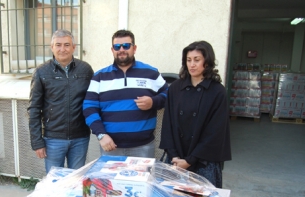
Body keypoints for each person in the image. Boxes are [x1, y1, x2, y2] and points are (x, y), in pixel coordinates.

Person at [83, 29, 168, 158]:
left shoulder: (151, 73)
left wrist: (153, 102)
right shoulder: (100, 76)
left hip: (143, 147)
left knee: (143, 179)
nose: (121, 49)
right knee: (111, 179)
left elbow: (169, 96)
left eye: (126, 46)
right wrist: (101, 135)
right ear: (112, 50)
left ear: (134, 48)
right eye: (117, 46)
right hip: (110, 147)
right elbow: (89, 108)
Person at [159, 41, 231, 188]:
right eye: (188, 60)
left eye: (197, 60)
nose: (192, 64)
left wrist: (190, 160)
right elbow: (168, 124)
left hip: (204, 161)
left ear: (207, 61)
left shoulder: (217, 92)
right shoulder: (175, 88)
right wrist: (173, 155)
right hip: (176, 159)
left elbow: (215, 132)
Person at [28, 29, 94, 173]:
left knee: (75, 180)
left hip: (80, 138)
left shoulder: (86, 70)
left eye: (66, 45)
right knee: (54, 183)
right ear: (52, 47)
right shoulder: (42, 72)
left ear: (73, 47)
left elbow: (94, 102)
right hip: (53, 139)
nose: (62, 49)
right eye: (58, 45)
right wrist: (37, 142)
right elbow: (34, 108)